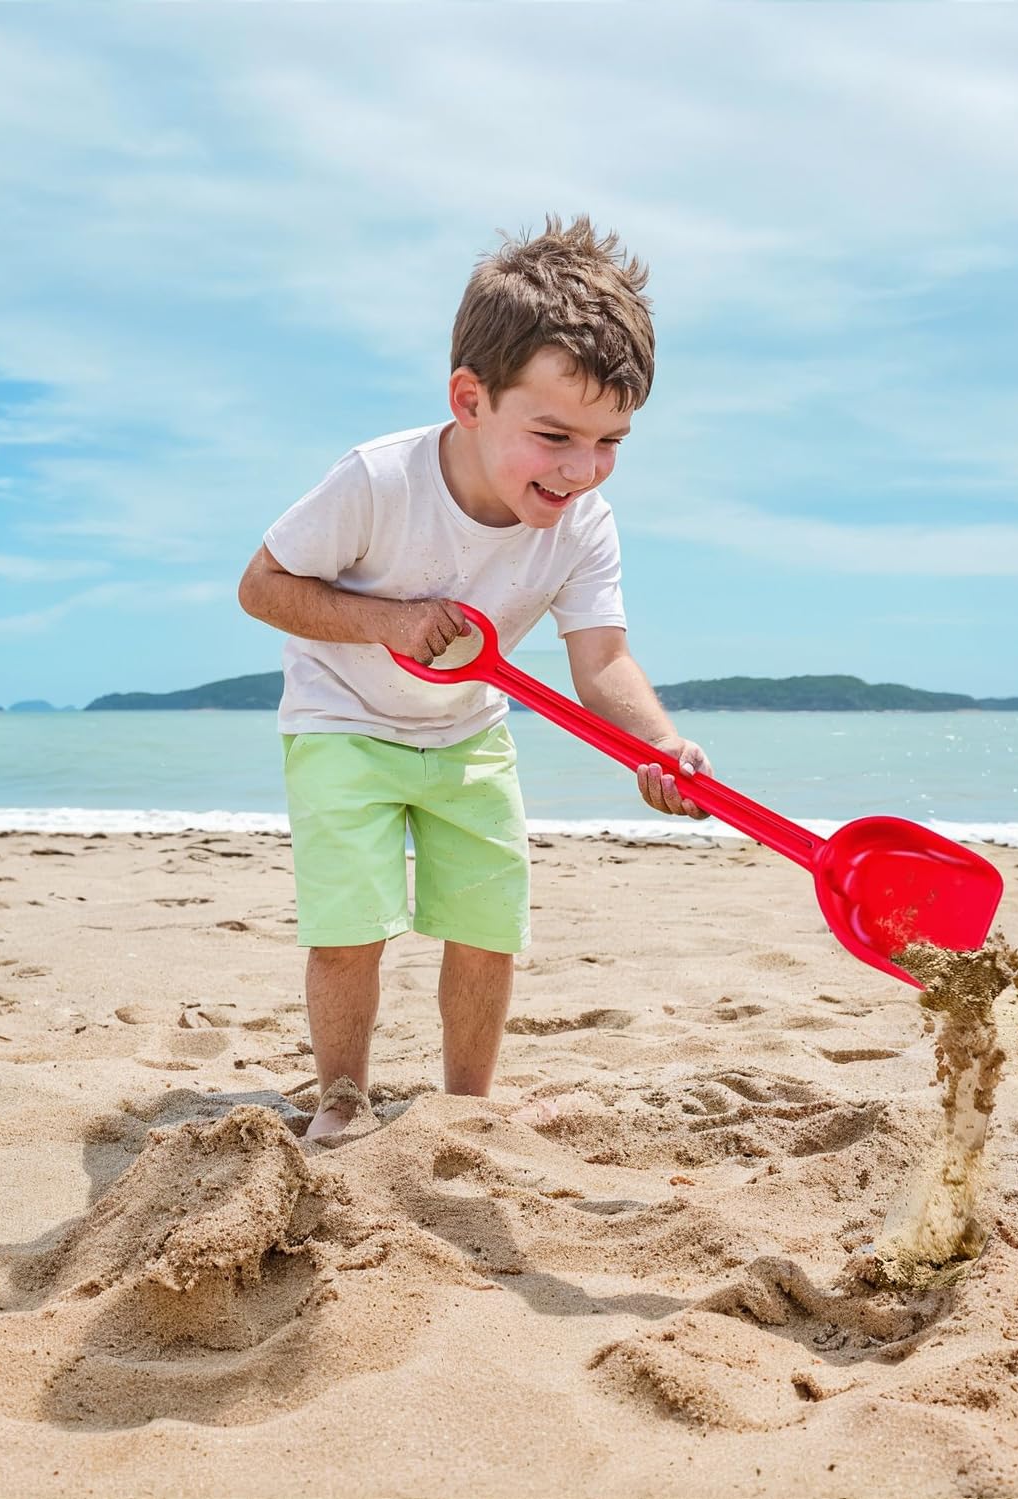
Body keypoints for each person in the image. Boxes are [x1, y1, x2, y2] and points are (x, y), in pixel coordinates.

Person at [237, 214, 712, 1139]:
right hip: (342, 721)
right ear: (470, 399)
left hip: (467, 731)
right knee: (350, 924)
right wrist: (389, 623)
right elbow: (261, 586)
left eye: (611, 440)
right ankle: (342, 1096)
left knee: (489, 923)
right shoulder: (379, 480)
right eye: (554, 435)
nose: (583, 469)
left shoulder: (583, 523)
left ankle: (467, 1107)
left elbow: (602, 659)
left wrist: (653, 743)